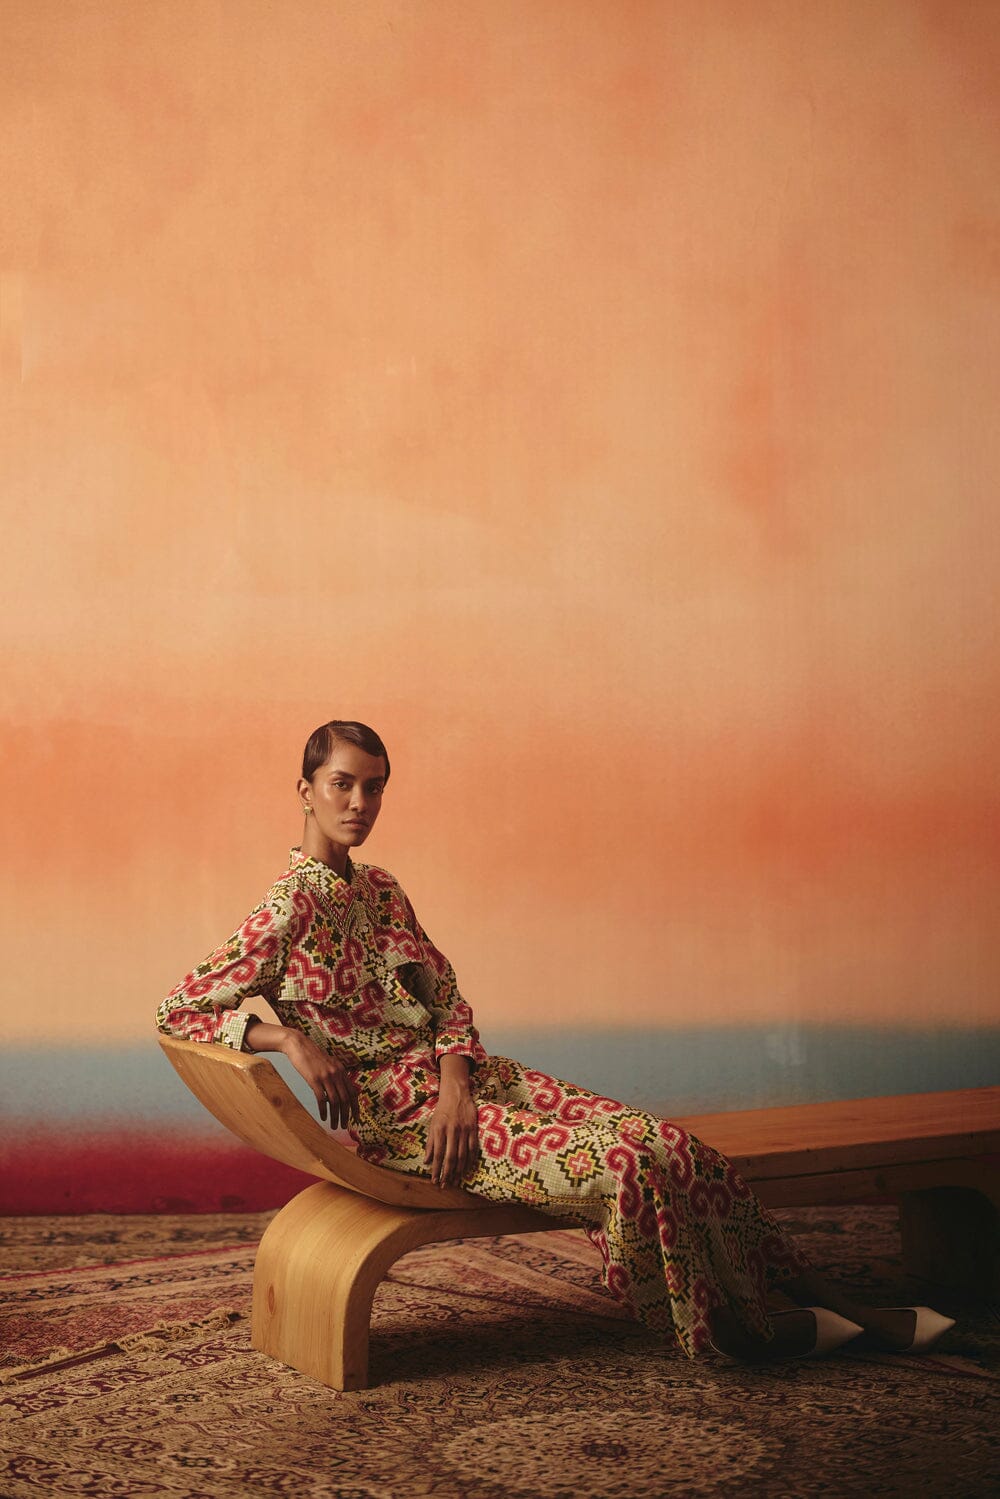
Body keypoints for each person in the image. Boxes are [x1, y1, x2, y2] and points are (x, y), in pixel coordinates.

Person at [156, 719, 955, 1362]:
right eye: (342, 783)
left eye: (374, 786)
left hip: (466, 1086)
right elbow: (179, 1010)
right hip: (401, 1121)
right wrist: (288, 1040)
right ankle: (737, 1335)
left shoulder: (384, 889)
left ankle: (839, 1305)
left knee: (674, 1144)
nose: (359, 801)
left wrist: (458, 1086)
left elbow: (448, 998)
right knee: (629, 1167)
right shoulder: (286, 910)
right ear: (304, 789)